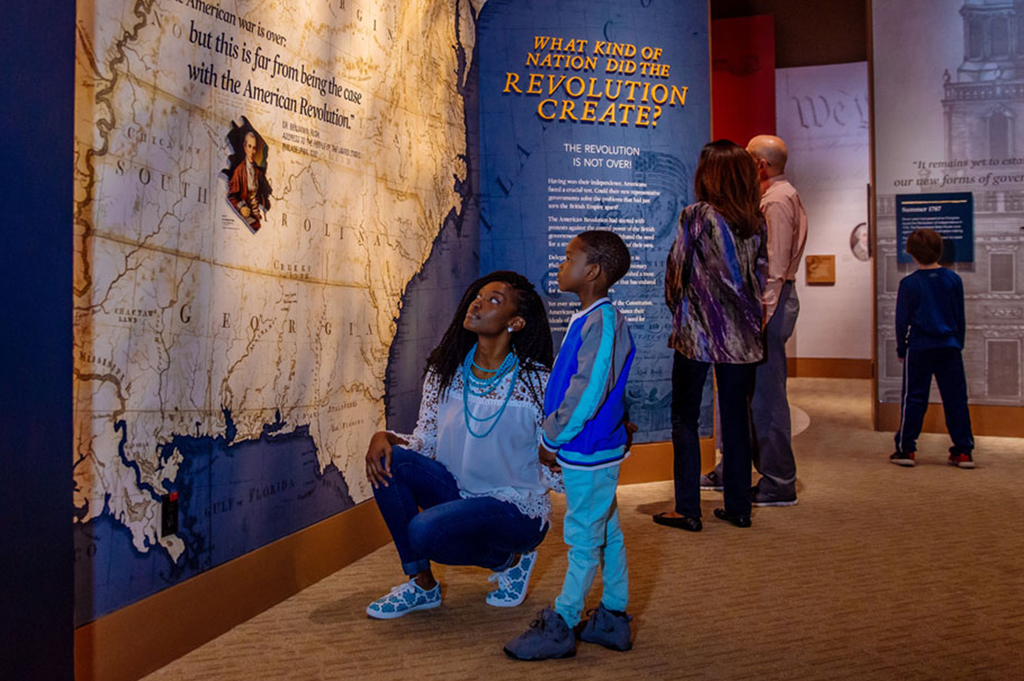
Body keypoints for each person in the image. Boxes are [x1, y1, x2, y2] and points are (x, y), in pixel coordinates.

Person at [363, 271, 560, 619]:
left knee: (424, 532)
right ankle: (422, 585)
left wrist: (565, 457)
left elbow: (557, 468)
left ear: (515, 322)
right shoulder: (445, 372)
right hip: (458, 492)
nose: (477, 304)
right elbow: (426, 440)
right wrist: (387, 437)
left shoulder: (538, 382)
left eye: (494, 300)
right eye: (478, 296)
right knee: (391, 461)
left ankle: (511, 558)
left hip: (515, 507)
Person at [504, 230, 636, 660]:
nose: (561, 266)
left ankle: (562, 622)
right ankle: (613, 616)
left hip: (588, 449)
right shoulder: (591, 319)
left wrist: (552, 437)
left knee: (583, 538)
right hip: (590, 449)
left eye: (568, 258)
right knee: (606, 531)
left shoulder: (603, 322)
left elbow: (588, 389)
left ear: (592, 271)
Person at [655, 140, 768, 532]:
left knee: (685, 417)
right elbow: (760, 275)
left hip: (697, 333)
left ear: (709, 175)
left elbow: (676, 271)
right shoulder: (756, 220)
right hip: (743, 336)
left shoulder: (696, 215)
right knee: (736, 418)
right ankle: (739, 507)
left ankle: (687, 508)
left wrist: (678, 310)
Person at [700, 134, 808, 507]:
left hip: (766, 307)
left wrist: (759, 315)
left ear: (760, 165)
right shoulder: (778, 196)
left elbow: (773, 269)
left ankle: (778, 481)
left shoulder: (775, 201)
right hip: (763, 305)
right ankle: (734, 469)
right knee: (745, 394)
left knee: (765, 397)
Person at [889, 228, 974, 468]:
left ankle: (906, 449)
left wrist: (901, 348)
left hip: (919, 347)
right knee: (956, 398)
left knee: (914, 398)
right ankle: (963, 450)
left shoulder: (909, 283)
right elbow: (960, 317)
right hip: (949, 346)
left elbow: (901, 320)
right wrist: (958, 342)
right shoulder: (953, 280)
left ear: (912, 253)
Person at [228, 131, 273, 231]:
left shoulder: (258, 172)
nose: (252, 152)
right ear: (244, 147)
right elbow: (232, 196)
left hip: (259, 217)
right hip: (249, 218)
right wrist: (240, 209)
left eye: (254, 148)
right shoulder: (239, 171)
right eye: (249, 146)